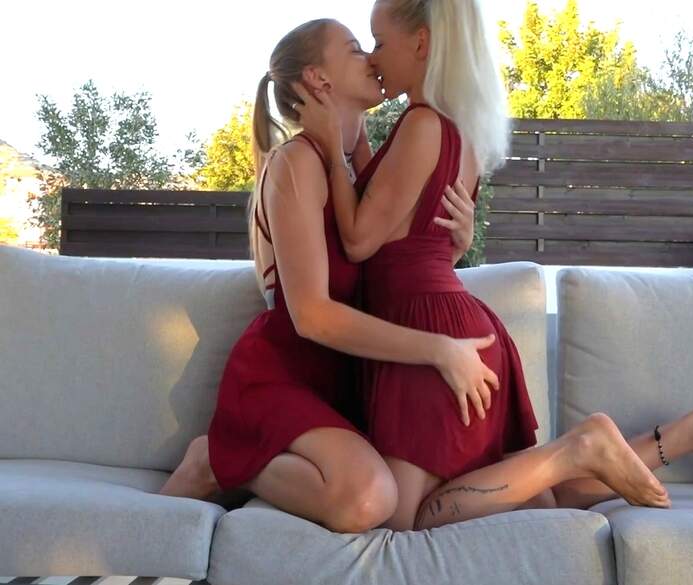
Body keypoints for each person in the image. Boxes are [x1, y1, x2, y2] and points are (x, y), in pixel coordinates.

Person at [294, 0, 693, 531]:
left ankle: (581, 446)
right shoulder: (460, 130)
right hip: (448, 323)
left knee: (406, 518)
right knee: (533, 496)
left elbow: (359, 240)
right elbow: (421, 240)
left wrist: (330, 148)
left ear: (421, 42)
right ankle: (689, 433)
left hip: (427, 334)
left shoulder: (421, 124)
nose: (374, 58)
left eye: (379, 42)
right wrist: (356, 147)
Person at [159, 18, 500, 534]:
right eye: (357, 48)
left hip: (348, 383)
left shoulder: (355, 171)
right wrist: (438, 349)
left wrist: (455, 242)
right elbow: (313, 316)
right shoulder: (297, 162)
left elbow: (386, 274)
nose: (372, 58)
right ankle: (216, 459)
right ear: (319, 79)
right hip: (285, 375)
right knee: (368, 498)